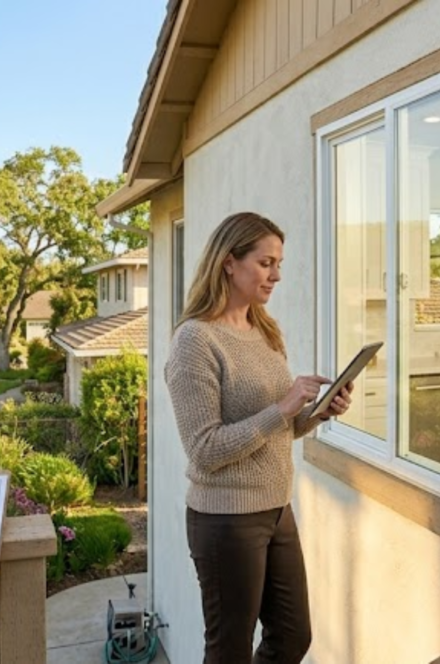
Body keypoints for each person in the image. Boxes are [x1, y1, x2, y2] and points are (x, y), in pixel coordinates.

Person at [164, 211, 352, 664]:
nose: (277, 275)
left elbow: (277, 429)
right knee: (230, 651)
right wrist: (284, 407)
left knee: (292, 636)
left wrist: (316, 414)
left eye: (279, 263)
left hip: (275, 509)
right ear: (229, 262)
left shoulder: (264, 330)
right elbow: (205, 450)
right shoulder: (195, 341)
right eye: (266, 263)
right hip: (226, 520)